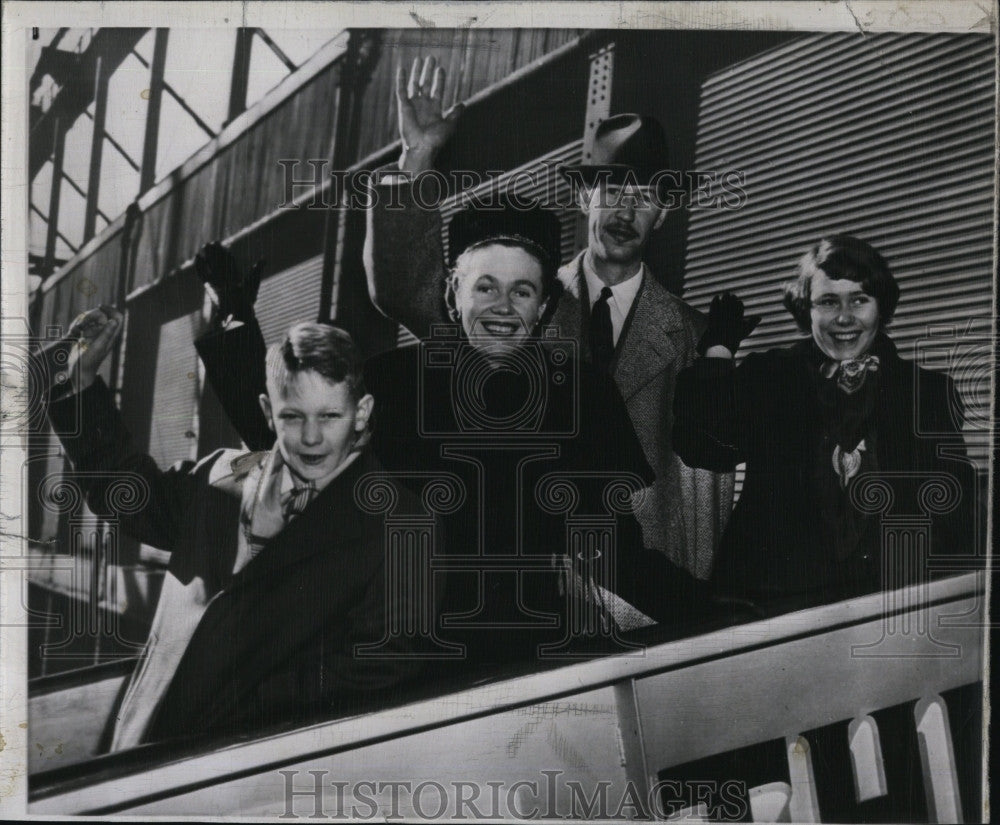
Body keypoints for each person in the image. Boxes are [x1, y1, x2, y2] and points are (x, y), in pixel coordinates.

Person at [195, 206, 709, 672]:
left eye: (522, 291)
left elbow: (611, 550)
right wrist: (237, 320)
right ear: (453, 295)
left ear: (545, 307)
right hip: (387, 657)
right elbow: (292, 442)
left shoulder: (583, 396)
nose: (503, 307)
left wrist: (712, 608)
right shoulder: (392, 382)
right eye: (485, 287)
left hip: (521, 659)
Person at [364, 56, 733, 581]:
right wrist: (418, 158)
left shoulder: (696, 335)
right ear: (584, 197)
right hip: (535, 575)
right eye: (611, 192)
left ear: (664, 212)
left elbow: (704, 493)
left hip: (639, 581)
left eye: (644, 197)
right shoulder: (519, 303)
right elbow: (407, 288)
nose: (625, 213)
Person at [44, 309, 439, 750]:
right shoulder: (225, 471)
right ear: (268, 412)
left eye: (329, 416)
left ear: (361, 413)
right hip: (141, 744)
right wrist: (78, 384)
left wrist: (249, 703)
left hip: (249, 768)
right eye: (293, 416)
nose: (311, 438)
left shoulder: (401, 521)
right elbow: (129, 497)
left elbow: (389, 659)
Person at [672, 235, 977, 608]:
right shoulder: (769, 376)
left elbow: (955, 517)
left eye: (859, 299)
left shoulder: (928, 393)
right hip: (770, 607)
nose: (844, 317)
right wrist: (718, 351)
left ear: (881, 306)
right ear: (806, 310)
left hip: (887, 608)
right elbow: (704, 447)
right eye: (828, 302)